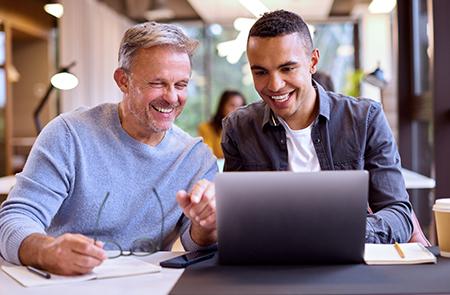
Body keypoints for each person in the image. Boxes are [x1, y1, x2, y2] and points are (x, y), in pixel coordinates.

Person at [0, 22, 217, 275]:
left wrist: (207, 225)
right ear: (123, 81)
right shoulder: (69, 135)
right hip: (65, 283)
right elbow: (13, 220)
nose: (171, 97)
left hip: (148, 286)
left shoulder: (196, 158)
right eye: (158, 83)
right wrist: (46, 251)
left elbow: (195, 244)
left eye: (180, 85)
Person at [221, 10, 413, 244]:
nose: (275, 85)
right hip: (272, 262)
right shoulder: (238, 128)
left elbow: (399, 214)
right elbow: (233, 216)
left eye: (287, 68)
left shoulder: (365, 119)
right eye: (261, 72)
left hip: (348, 260)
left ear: (312, 61)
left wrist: (342, 232)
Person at [198, 90, 247, 158]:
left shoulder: (247, 129)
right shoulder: (206, 128)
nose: (237, 110)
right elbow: (207, 156)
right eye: (232, 105)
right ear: (222, 106)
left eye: (241, 106)